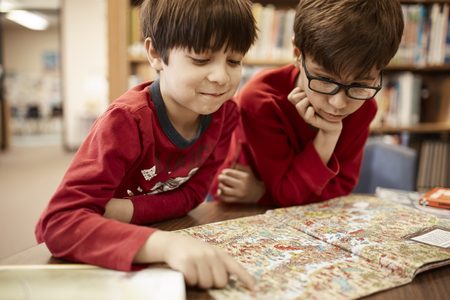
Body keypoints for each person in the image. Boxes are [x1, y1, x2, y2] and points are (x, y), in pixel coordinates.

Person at [35, 0, 257, 290]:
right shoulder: (125, 121)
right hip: (105, 268)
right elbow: (57, 224)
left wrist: (123, 210)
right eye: (201, 59)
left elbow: (192, 195)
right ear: (155, 54)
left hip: (150, 246)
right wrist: (166, 245)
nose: (221, 77)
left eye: (234, 61)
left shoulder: (226, 115)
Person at [212, 0, 404, 206]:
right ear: (297, 54)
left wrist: (262, 194)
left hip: (280, 208)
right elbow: (287, 195)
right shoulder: (260, 100)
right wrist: (327, 140)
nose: (338, 103)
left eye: (359, 84)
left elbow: (341, 189)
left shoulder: (364, 107)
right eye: (324, 80)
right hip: (236, 208)